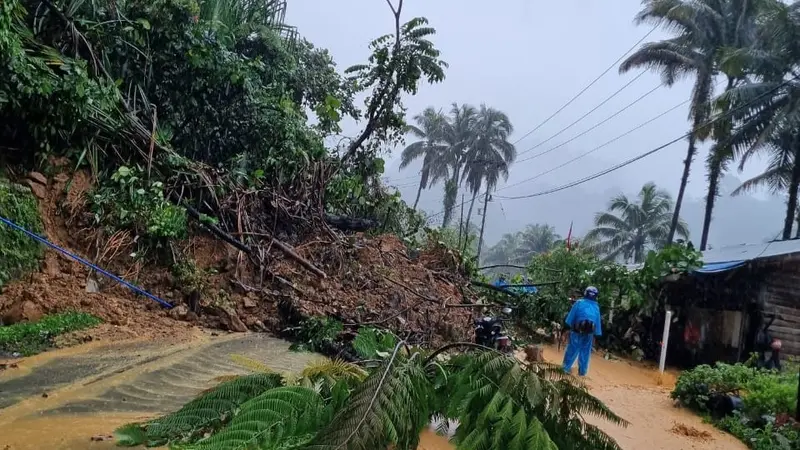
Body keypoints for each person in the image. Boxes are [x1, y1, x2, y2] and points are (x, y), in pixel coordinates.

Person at [562, 286, 602, 377]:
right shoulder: (596, 307)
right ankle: (582, 373)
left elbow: (570, 318)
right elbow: (598, 323)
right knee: (585, 352)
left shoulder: (579, 303)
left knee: (572, 350)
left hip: (576, 331)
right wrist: (597, 334)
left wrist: (567, 327)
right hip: (589, 334)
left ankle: (565, 369)